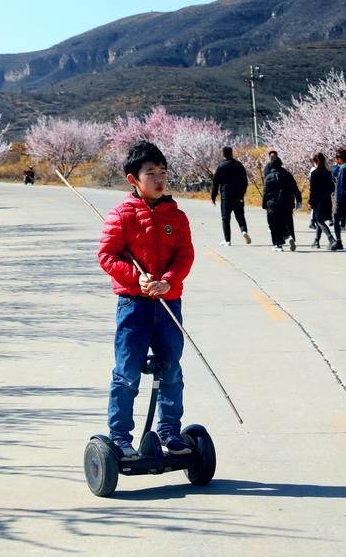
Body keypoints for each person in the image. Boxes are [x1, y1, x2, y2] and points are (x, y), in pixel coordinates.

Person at [97, 141, 195, 461]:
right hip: (133, 307)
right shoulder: (121, 215)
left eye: (163, 172)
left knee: (172, 372)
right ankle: (120, 438)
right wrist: (135, 277)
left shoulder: (176, 216)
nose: (159, 179)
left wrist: (169, 281)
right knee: (127, 373)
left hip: (168, 305)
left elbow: (184, 255)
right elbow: (107, 257)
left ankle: (170, 432)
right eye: (150, 173)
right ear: (133, 180)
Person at [210, 146, 251, 246]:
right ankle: (244, 231)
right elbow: (245, 181)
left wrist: (213, 197)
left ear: (223, 154)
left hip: (226, 196)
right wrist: (242, 193)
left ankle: (227, 240)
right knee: (240, 216)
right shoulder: (239, 165)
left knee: (225, 218)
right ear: (232, 153)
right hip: (238, 196)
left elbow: (215, 183)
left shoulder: (221, 166)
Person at [261, 151, 302, 251]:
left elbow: (265, 191)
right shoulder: (287, 174)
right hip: (286, 203)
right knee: (287, 221)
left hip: (272, 204)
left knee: (274, 224)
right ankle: (290, 236)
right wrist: (299, 199)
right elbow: (294, 187)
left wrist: (264, 205)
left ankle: (277, 245)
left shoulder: (268, 177)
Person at [309, 153, 336, 248]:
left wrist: (311, 201)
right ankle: (316, 241)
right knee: (319, 219)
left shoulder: (315, 173)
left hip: (318, 200)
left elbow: (312, 189)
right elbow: (332, 187)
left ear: (315, 162)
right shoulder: (327, 173)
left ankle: (331, 239)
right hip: (327, 199)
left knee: (319, 220)